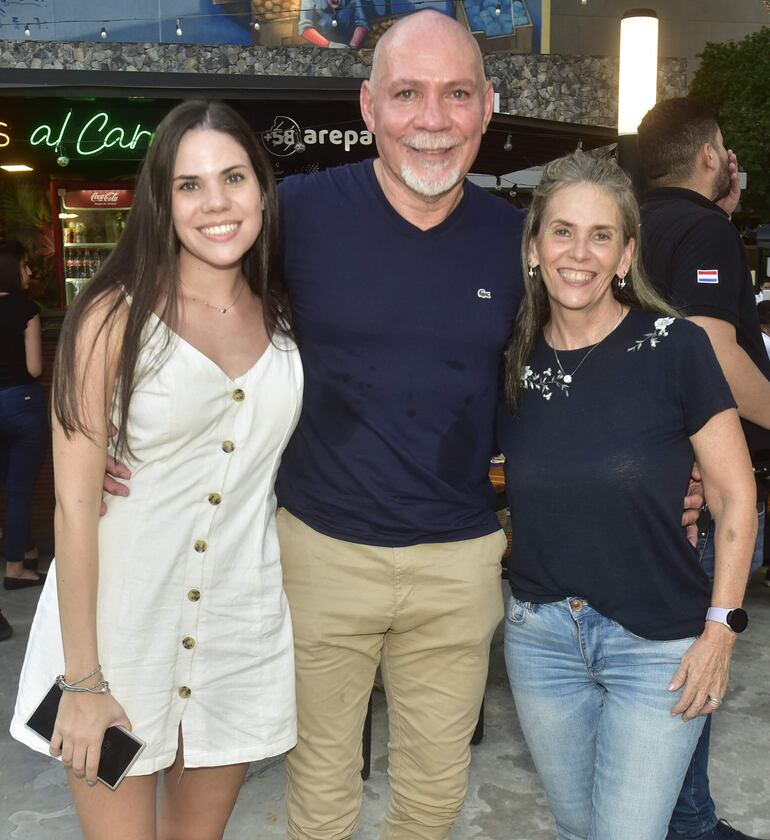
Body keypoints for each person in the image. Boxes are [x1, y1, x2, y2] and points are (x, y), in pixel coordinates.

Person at [102, 12, 703, 838]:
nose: (432, 118)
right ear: (367, 106)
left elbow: (594, 351)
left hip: (457, 566)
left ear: (487, 106)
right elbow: (187, 298)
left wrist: (674, 462)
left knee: (431, 797)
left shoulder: (519, 242)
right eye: (407, 94)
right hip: (317, 554)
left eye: (456, 94)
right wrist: (113, 428)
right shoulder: (297, 214)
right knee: (320, 794)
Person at [10, 100, 302, 840]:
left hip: (237, 632)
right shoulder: (111, 317)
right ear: (161, 202)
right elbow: (74, 509)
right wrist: (82, 682)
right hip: (118, 640)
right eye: (189, 184)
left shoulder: (285, 316)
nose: (216, 204)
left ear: (262, 190)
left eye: (232, 177)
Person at [499, 150, 756, 840]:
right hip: (542, 639)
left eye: (601, 235)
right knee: (582, 827)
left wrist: (721, 630)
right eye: (562, 231)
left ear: (626, 255)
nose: (578, 252)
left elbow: (735, 497)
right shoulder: (511, 362)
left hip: (660, 646)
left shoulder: (676, 346)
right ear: (534, 248)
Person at [638, 97, 770, 840]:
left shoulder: (633, 227)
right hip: (693, 493)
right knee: (690, 663)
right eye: (726, 153)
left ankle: (676, 817)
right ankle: (687, 825)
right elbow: (714, 351)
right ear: (711, 154)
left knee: (655, 663)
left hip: (641, 482)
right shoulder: (704, 227)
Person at [0, 239, 47, 589]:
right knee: (19, 490)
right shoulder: (26, 310)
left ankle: (26, 548)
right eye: (24, 267)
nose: (29, 271)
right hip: (22, 404)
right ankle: (15, 568)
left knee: (7, 486)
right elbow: (34, 368)